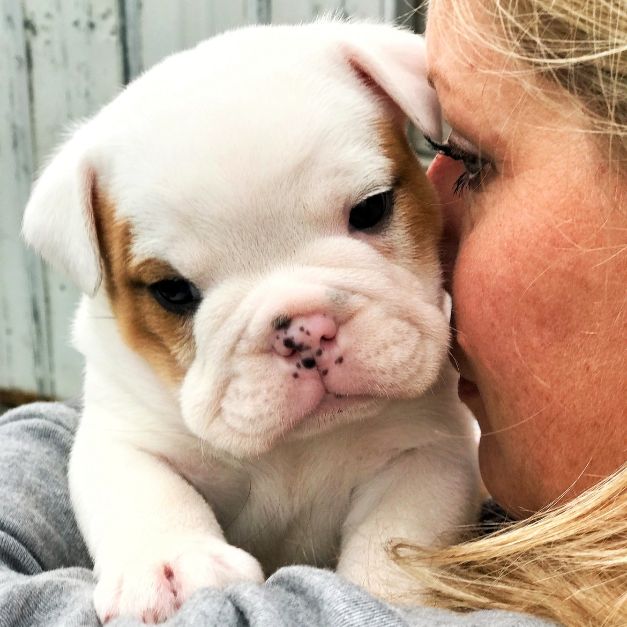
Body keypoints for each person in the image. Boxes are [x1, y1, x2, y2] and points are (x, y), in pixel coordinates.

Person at [0, 0, 624, 625]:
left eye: (368, 213)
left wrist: (381, 600)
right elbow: (112, 451)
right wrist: (158, 539)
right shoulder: (114, 398)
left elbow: (431, 457)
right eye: (180, 293)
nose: (306, 333)